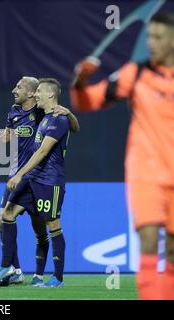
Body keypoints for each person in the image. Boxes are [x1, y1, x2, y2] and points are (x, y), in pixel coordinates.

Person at [70, 13, 174, 300]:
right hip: (147, 174)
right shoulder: (136, 74)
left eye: (158, 37)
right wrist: (81, 80)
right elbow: (87, 102)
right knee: (150, 239)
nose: (150, 43)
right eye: (149, 36)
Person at [0, 77, 76, 287]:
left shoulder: (51, 115)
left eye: (20, 87)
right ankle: (11, 268)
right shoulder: (23, 113)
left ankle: (50, 276)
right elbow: (12, 135)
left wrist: (71, 113)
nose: (14, 90)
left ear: (41, 94)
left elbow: (47, 148)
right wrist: (2, 137)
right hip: (27, 175)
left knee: (46, 227)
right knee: (5, 217)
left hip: (46, 179)